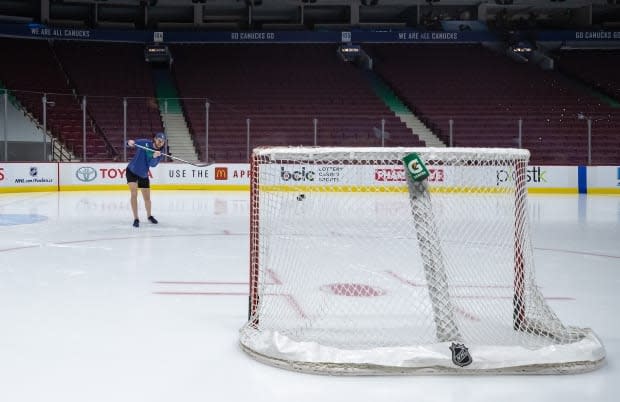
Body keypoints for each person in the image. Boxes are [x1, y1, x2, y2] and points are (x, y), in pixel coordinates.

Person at [126, 132, 167, 227]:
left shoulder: (159, 154)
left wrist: (154, 157)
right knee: (134, 193)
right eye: (159, 140)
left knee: (147, 199)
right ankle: (136, 218)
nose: (160, 143)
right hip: (131, 171)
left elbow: (152, 165)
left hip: (143, 175)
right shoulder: (144, 143)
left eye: (162, 142)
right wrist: (129, 142)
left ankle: (149, 216)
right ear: (155, 139)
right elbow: (130, 143)